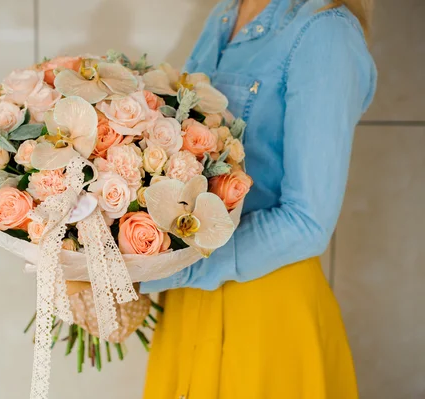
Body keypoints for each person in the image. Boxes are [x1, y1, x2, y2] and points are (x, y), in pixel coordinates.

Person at [140, 0, 377, 398]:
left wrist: (156, 269)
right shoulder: (225, 14)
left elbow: (307, 222)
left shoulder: (326, 32)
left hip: (265, 315)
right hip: (185, 307)